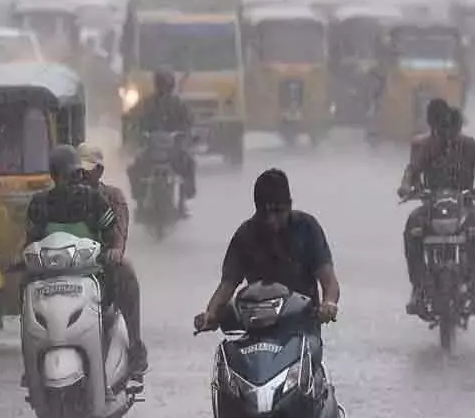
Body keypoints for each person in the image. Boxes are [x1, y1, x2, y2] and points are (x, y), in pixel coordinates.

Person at [193, 169, 340, 363]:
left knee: (311, 377)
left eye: (278, 212)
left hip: (301, 333)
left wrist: (328, 305)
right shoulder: (245, 235)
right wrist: (210, 315)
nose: (271, 220)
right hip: (256, 335)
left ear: (289, 205)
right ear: (256, 209)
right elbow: (227, 285)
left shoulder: (308, 228)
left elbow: (329, 281)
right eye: (265, 212)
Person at [397, 98, 475, 315]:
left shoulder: (470, 145)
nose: (448, 134)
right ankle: (418, 285)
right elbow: (412, 169)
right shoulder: (428, 147)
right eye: (443, 129)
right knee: (412, 228)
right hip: (431, 205)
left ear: (458, 127)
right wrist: (406, 187)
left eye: (452, 128)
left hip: (465, 205)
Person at [76, 142, 148, 377]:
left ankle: (136, 346)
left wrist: (116, 250)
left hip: (100, 267)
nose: (83, 175)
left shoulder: (111, 197)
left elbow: (119, 230)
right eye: (79, 170)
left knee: (125, 272)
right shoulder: (63, 198)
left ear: (99, 171)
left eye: (88, 170)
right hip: (67, 265)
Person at [126, 69, 197, 215]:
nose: (163, 87)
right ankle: (139, 202)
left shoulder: (178, 104)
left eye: (166, 84)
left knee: (189, 163)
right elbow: (134, 120)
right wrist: (135, 133)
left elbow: (188, 122)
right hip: (151, 148)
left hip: (173, 149)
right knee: (134, 168)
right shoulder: (146, 103)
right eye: (161, 84)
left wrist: (186, 135)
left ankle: (183, 202)